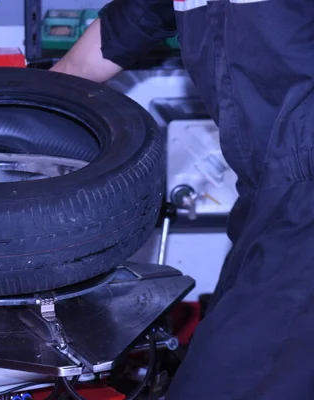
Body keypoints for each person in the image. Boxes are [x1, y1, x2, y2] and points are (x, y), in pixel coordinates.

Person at [51, 1, 314, 399]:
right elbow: (96, 54)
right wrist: (5, 115)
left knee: (225, 382)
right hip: (265, 199)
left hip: (303, 204)